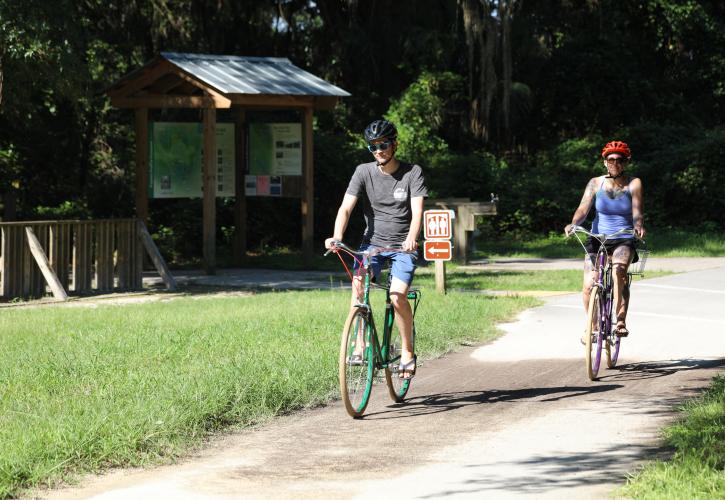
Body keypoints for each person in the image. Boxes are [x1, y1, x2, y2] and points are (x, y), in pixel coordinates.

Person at [325, 119, 428, 379]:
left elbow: (417, 213)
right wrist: (337, 236)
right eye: (373, 147)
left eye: (382, 144)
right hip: (372, 245)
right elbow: (345, 208)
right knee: (358, 285)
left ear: (394, 144)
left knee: (396, 296)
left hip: (403, 246)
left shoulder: (412, 173)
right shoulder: (363, 172)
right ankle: (360, 345)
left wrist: (412, 238)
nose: (378, 150)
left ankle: (406, 351)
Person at [564, 140, 645, 338]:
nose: (615, 163)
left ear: (626, 162)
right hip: (597, 237)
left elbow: (637, 211)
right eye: (611, 159)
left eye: (619, 160)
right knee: (588, 284)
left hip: (623, 237)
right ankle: (593, 327)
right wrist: (574, 223)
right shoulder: (595, 183)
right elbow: (583, 208)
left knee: (619, 271)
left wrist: (638, 225)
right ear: (604, 162)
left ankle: (620, 321)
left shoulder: (634, 183)